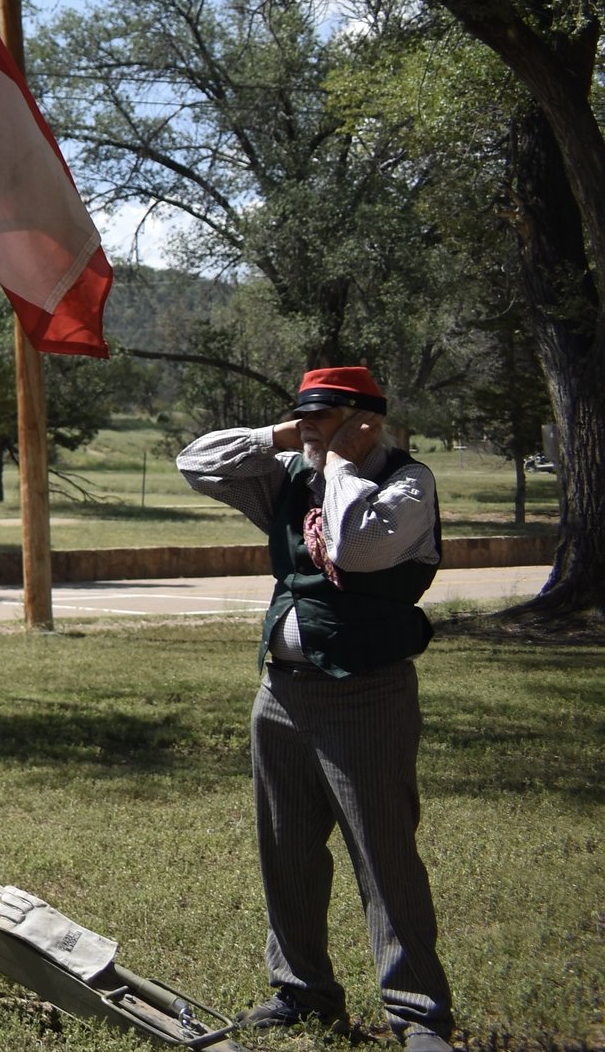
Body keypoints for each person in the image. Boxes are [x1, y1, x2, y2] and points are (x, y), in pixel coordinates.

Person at [178, 367, 454, 1052]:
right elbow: (197, 463)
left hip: (365, 692)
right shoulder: (292, 473)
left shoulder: (405, 483)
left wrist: (341, 462)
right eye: (301, 413)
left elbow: (358, 547)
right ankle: (301, 993)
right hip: (281, 691)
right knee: (288, 851)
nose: (307, 426)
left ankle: (418, 1016)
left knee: (383, 853)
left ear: (367, 420)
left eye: (323, 413)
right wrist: (287, 434)